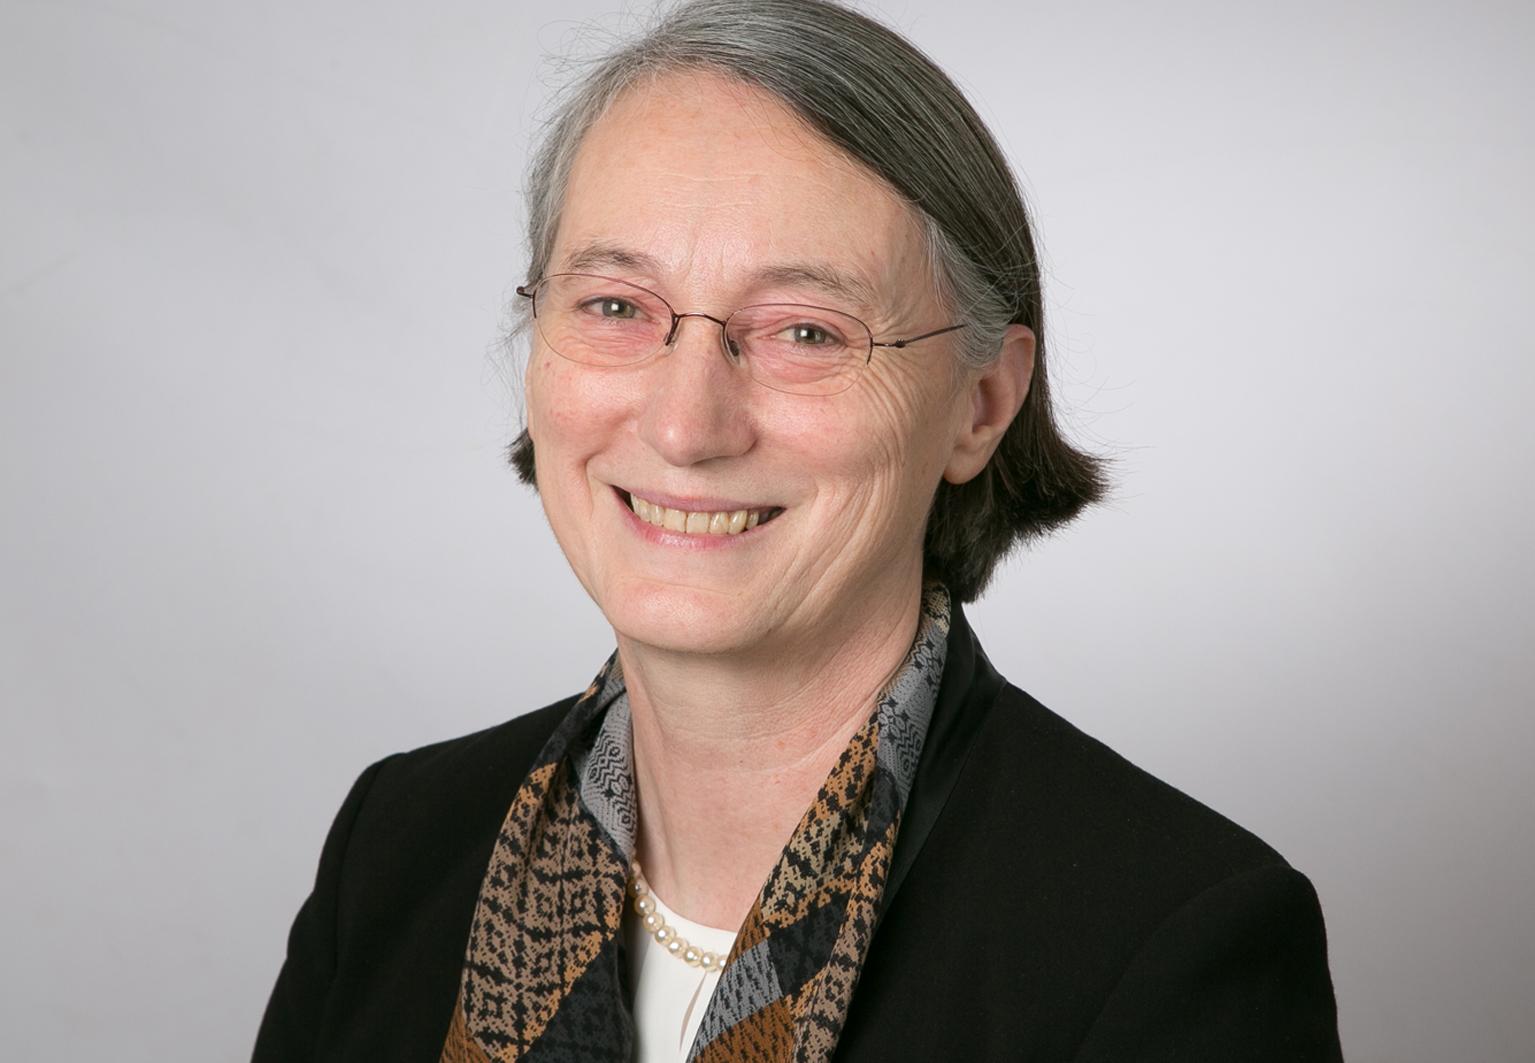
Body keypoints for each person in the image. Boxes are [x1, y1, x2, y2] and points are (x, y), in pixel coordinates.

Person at [253, 1, 1343, 1059]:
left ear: (980, 406)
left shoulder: (1168, 941)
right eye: (615, 306)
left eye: (806, 331)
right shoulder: (396, 847)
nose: (684, 426)